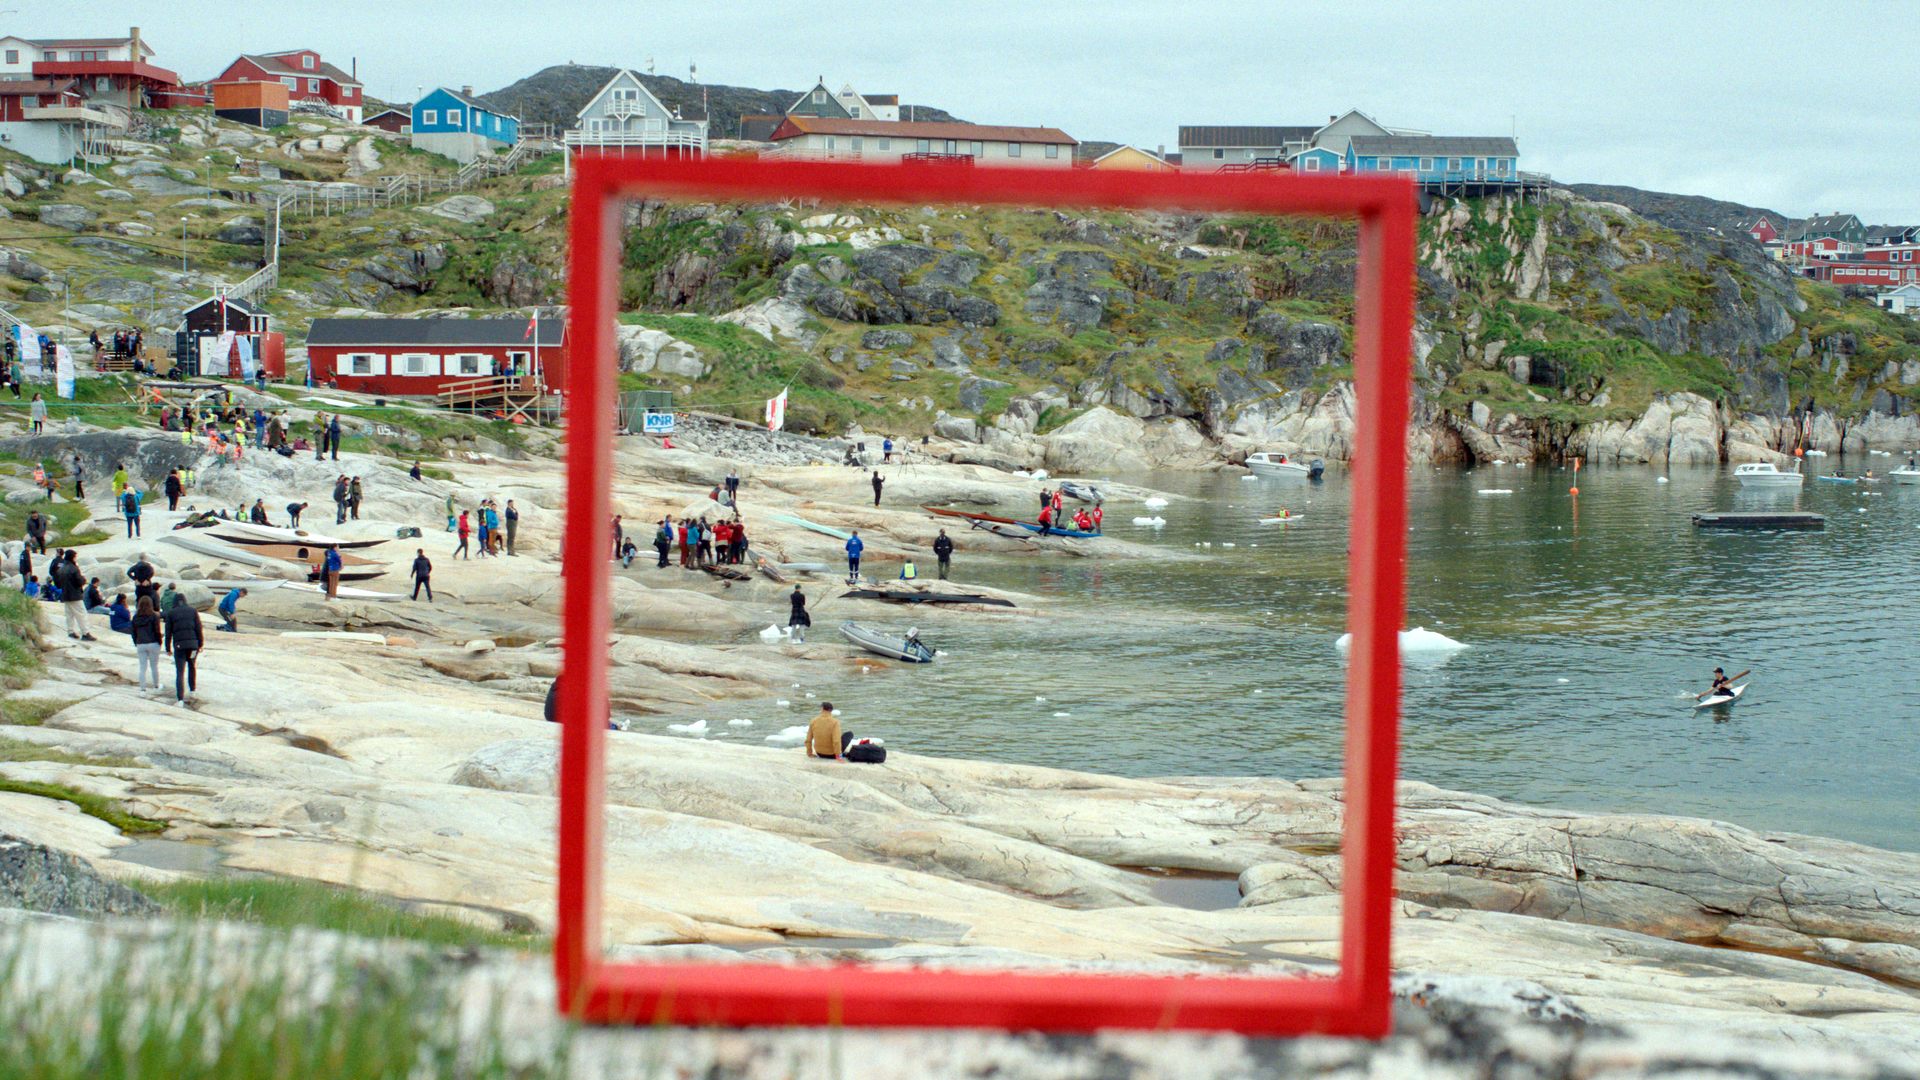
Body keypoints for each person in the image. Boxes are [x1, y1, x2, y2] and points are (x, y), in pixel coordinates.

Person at [162, 592, 202, 707]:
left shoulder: (171, 613)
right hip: (193, 646)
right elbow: (198, 628)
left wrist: (168, 647)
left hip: (180, 646)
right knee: (192, 665)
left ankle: (180, 699)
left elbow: (168, 632)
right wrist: (200, 644)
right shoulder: (193, 611)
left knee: (180, 671)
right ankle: (192, 691)